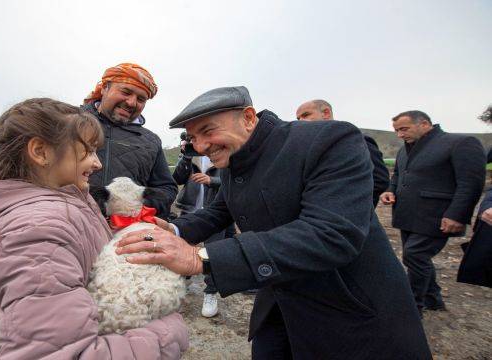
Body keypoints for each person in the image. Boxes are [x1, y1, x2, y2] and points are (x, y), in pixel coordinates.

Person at [116, 86, 431, 359]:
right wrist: (171, 228)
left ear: (249, 117)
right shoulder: (234, 160)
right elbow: (219, 211)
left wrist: (200, 257)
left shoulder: (329, 140)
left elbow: (331, 233)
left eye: (208, 131)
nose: (200, 147)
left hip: (347, 307)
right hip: (279, 304)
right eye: (194, 138)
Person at [0, 98, 187, 358]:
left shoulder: (67, 203)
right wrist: (167, 331)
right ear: (41, 152)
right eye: (88, 150)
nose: (98, 164)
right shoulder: (35, 232)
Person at [380, 110, 486, 313]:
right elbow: (398, 176)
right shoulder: (405, 150)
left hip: (437, 215)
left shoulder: (460, 143)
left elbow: (471, 183)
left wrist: (457, 215)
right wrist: (389, 191)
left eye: (404, 129)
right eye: (396, 131)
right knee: (418, 258)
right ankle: (433, 300)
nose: (400, 135)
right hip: (407, 214)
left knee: (414, 255)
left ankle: (412, 306)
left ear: (425, 124)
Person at [82, 63, 177, 219]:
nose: (132, 102)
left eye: (141, 99)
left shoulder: (151, 141)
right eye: (126, 92)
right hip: (67, 225)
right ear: (105, 88)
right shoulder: (70, 123)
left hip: (125, 234)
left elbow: (167, 189)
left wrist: (132, 207)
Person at [172, 137, 235, 317]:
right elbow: (177, 178)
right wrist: (185, 157)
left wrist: (211, 181)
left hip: (215, 212)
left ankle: (210, 293)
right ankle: (181, 283)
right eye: (192, 138)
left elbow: (235, 182)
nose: (199, 142)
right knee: (183, 249)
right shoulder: (191, 156)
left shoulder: (226, 153)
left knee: (212, 253)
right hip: (190, 210)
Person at [296, 99, 389, 206]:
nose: (301, 121)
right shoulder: (313, 148)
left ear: (326, 113)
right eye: (298, 118)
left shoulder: (356, 141)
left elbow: (380, 180)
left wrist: (349, 204)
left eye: (306, 115)